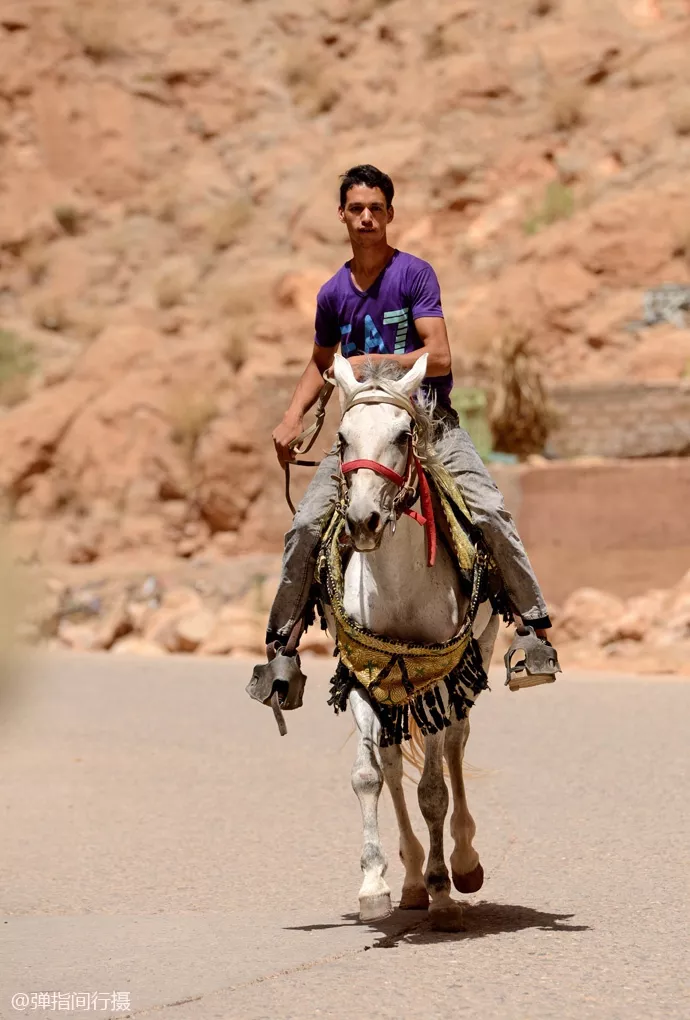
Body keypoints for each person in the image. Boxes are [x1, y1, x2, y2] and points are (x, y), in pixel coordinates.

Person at [266, 163, 555, 666]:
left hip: (428, 422)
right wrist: (292, 417)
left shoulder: (414, 275)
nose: (366, 217)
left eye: (376, 209)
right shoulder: (332, 293)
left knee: (488, 509)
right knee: (307, 523)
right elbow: (320, 361)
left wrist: (369, 363)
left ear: (390, 214)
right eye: (357, 208)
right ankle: (281, 648)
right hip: (364, 433)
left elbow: (438, 357)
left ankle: (534, 630)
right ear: (341, 214)